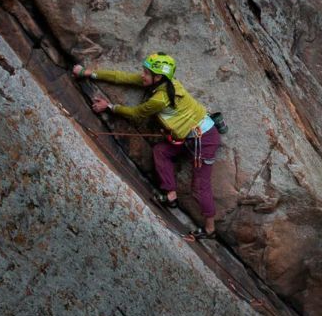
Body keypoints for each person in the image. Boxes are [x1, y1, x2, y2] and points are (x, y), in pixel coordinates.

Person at [73, 52, 219, 240]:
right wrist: (87, 73)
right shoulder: (165, 83)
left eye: (146, 73)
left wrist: (109, 107)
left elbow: (136, 114)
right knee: (161, 151)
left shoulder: (160, 99)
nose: (142, 75)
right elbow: (122, 77)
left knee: (199, 186)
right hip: (190, 136)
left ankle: (210, 230)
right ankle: (171, 196)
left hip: (203, 140)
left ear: (158, 77)